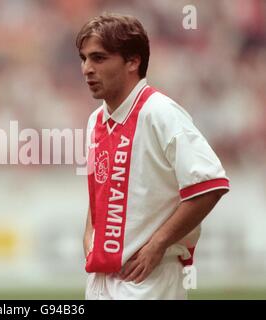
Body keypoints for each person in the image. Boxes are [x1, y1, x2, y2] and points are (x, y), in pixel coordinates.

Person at [77, 13, 230, 299]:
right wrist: (90, 235)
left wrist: (157, 244)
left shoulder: (160, 113)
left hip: (149, 281)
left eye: (98, 58)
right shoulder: (96, 120)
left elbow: (211, 183)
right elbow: (100, 186)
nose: (87, 68)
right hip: (101, 280)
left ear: (133, 61)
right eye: (84, 58)